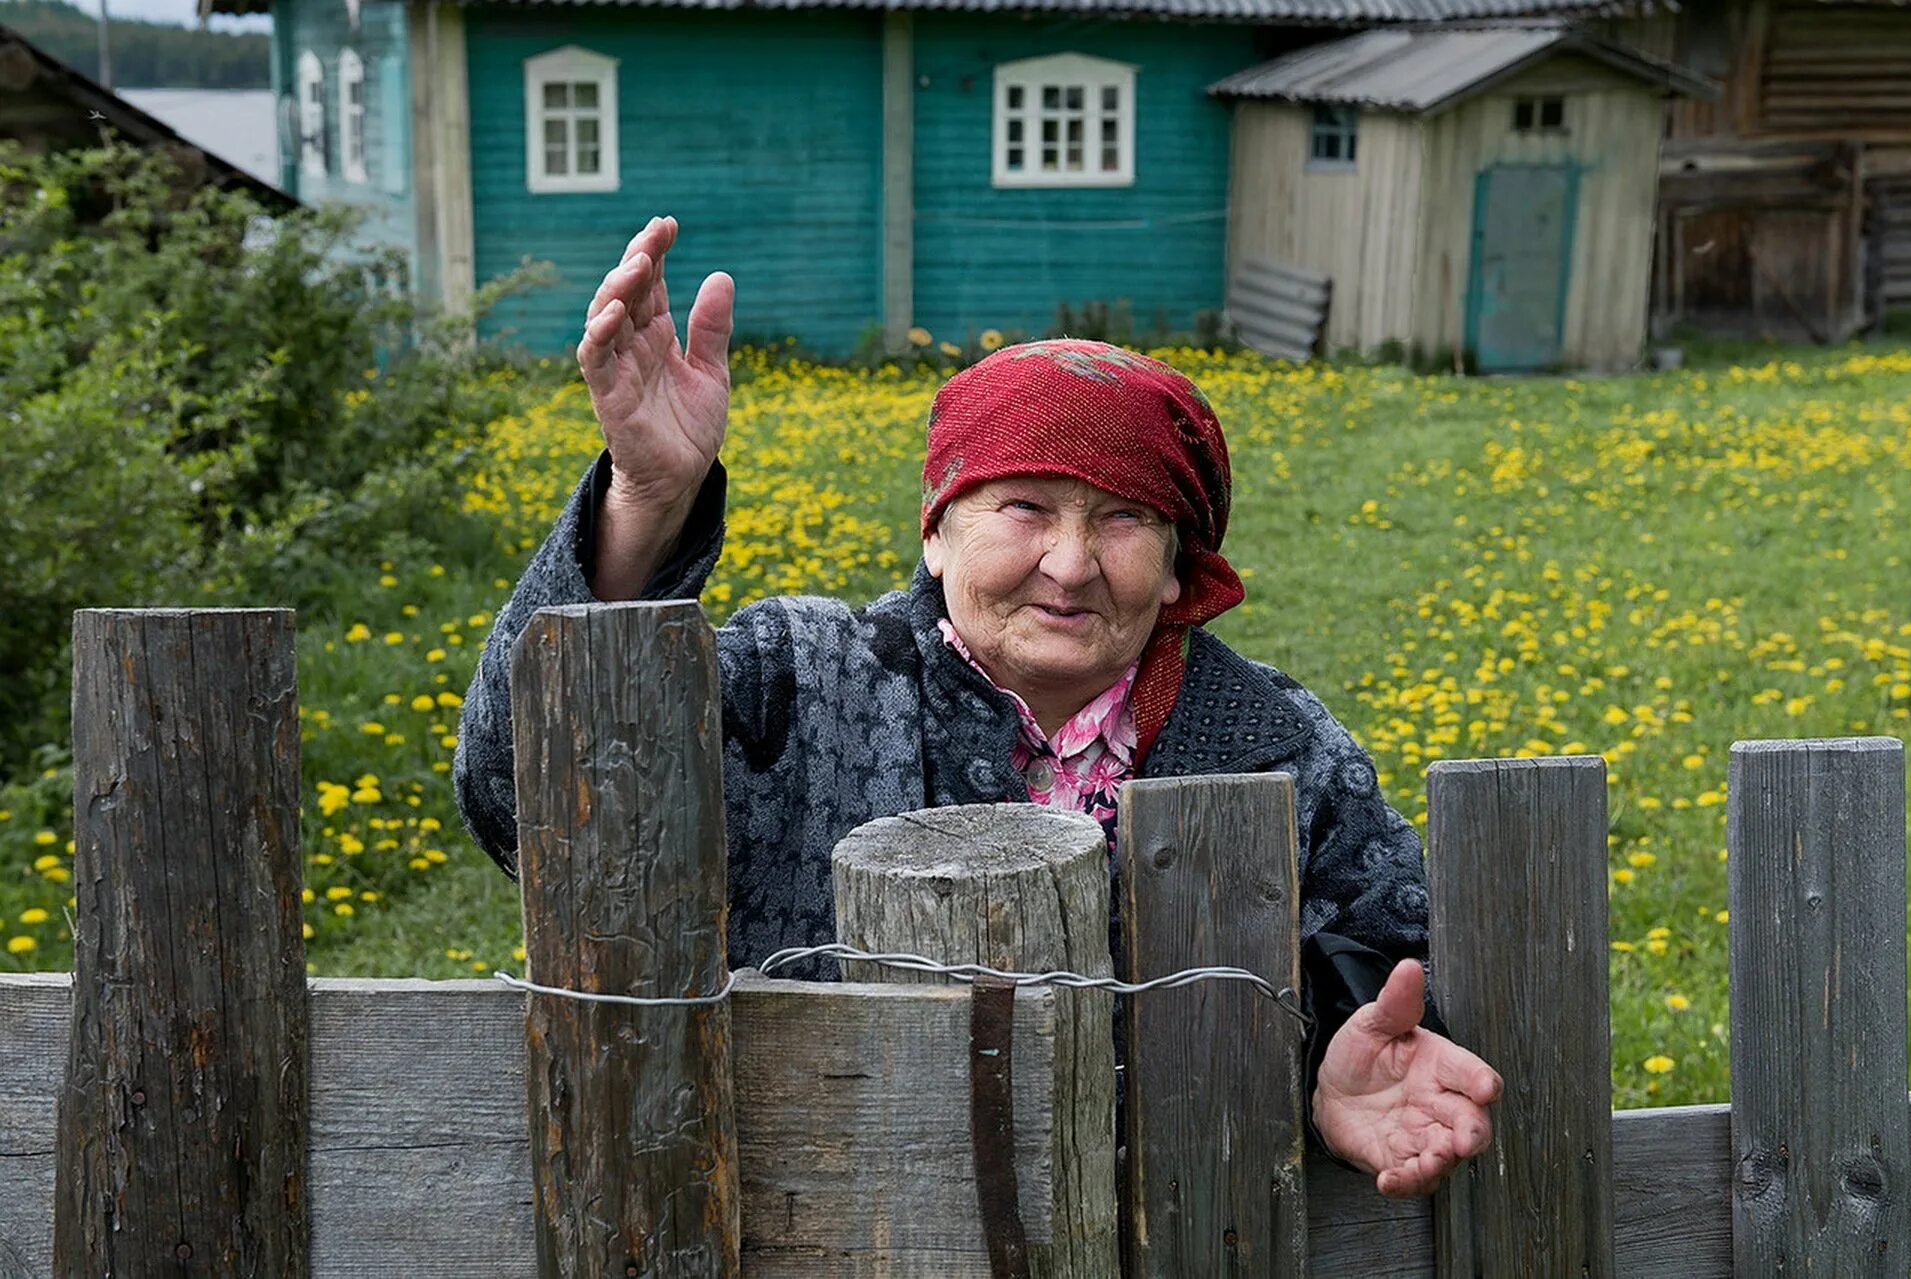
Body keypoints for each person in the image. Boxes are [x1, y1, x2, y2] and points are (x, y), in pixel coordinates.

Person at [454, 216, 1502, 1199]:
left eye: (1127, 517)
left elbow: (1381, 962)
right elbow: (523, 797)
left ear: (1181, 569)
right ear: (935, 531)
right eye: (1026, 507)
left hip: (1177, 1225)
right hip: (814, 1216)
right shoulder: (804, 675)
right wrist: (647, 503)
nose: (1071, 562)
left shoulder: (1276, 744)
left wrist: (1331, 1067)